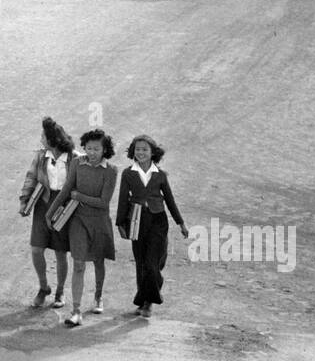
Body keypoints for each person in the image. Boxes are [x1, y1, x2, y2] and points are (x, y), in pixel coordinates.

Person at [115, 136, 189, 319]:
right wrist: (120, 223)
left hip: (158, 221)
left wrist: (181, 223)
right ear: (133, 152)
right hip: (136, 221)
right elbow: (123, 199)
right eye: (137, 149)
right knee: (141, 264)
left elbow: (170, 200)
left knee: (151, 264)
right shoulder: (128, 173)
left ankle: (149, 301)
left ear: (152, 153)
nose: (140, 152)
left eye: (144, 149)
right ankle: (143, 302)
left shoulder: (160, 175)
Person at [50, 129, 117, 326]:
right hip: (78, 220)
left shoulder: (111, 171)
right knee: (78, 263)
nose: (92, 152)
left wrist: (80, 197)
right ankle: (76, 310)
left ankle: (98, 296)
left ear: (105, 150)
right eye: (88, 148)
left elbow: (104, 202)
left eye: (96, 148)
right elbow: (66, 189)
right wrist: (50, 212)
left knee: (98, 261)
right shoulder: (77, 163)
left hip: (99, 221)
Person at [18, 116, 74, 309]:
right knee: (36, 249)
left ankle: (60, 291)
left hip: (63, 207)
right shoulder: (41, 156)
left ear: (52, 140)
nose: (41, 139)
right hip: (43, 205)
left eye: (43, 136)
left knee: (60, 253)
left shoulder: (74, 157)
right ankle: (44, 287)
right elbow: (31, 178)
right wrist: (24, 201)